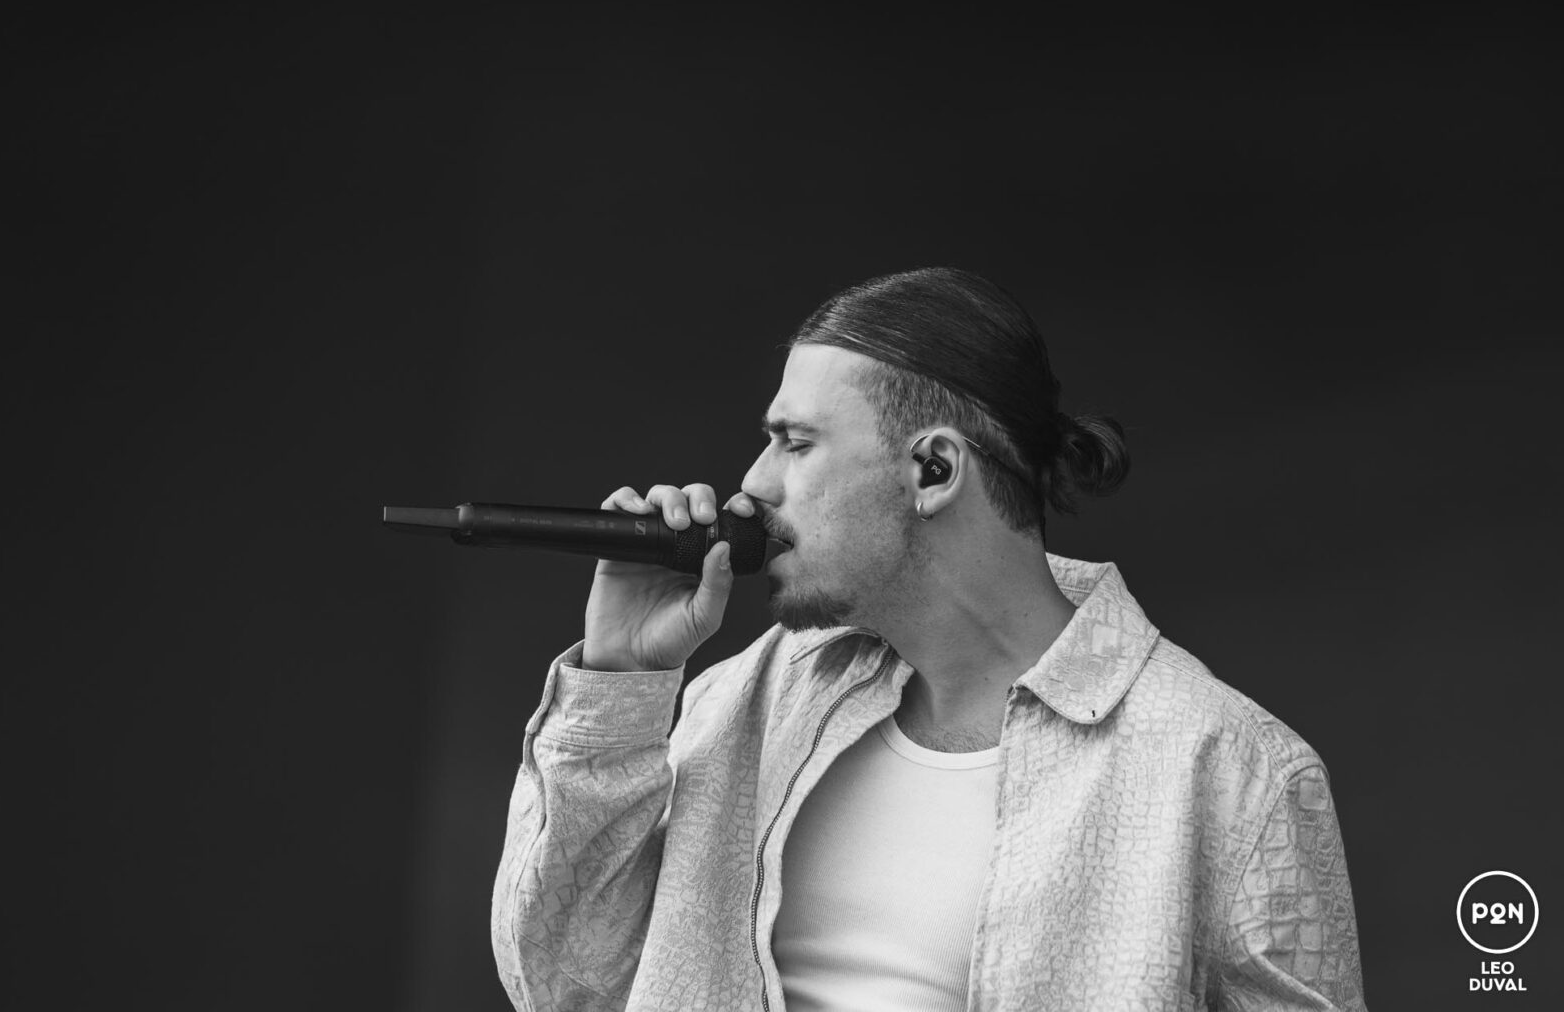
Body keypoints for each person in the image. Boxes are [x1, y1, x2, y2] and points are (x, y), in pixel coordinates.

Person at [490, 267, 1366, 1011]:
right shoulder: (748, 699)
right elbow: (560, 985)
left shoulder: (1228, 770)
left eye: (794, 443)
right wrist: (620, 682)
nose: (751, 485)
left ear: (933, 469)